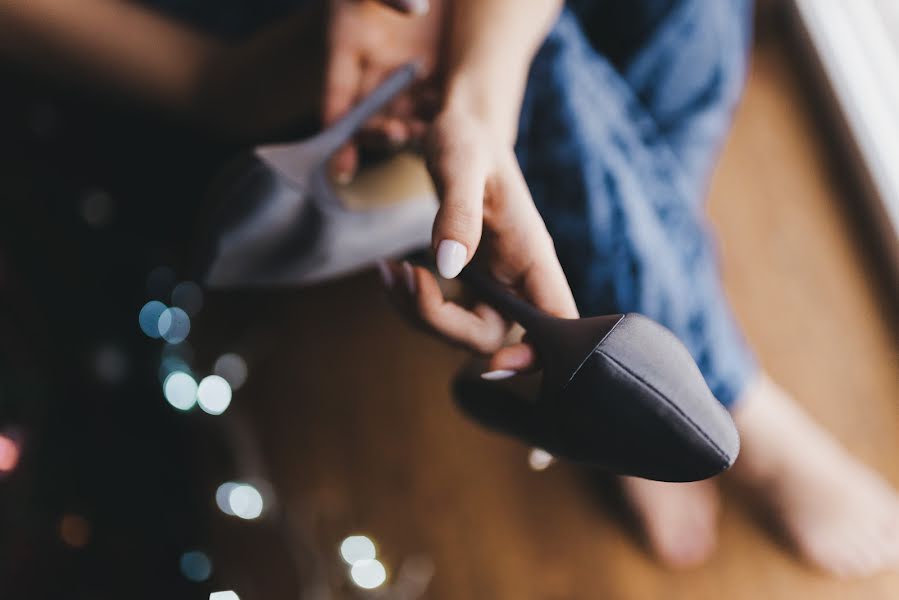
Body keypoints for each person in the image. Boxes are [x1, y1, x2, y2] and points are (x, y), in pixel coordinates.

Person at [2, 0, 897, 578]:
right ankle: (728, 397)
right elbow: (207, 86)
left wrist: (476, 88)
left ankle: (639, 295)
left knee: (680, 21)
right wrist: (355, 40)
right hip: (277, 78)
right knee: (553, 75)